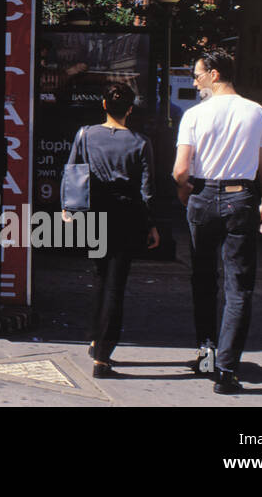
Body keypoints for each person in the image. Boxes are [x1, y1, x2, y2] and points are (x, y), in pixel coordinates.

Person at [173, 48, 262, 395]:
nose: (195, 81)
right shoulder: (258, 113)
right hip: (241, 199)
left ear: (214, 74)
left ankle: (206, 355)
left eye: (198, 74)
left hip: (202, 197)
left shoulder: (195, 115)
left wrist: (185, 193)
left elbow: (180, 170)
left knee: (202, 278)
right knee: (239, 286)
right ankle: (228, 370)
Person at [67, 81, 159, 378]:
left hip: (96, 213)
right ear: (130, 110)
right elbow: (147, 191)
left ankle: (96, 340)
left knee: (100, 277)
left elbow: (73, 171)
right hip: (128, 216)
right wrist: (151, 225)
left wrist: (69, 210)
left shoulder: (85, 134)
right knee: (116, 285)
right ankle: (103, 356)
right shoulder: (141, 142)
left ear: (104, 105)